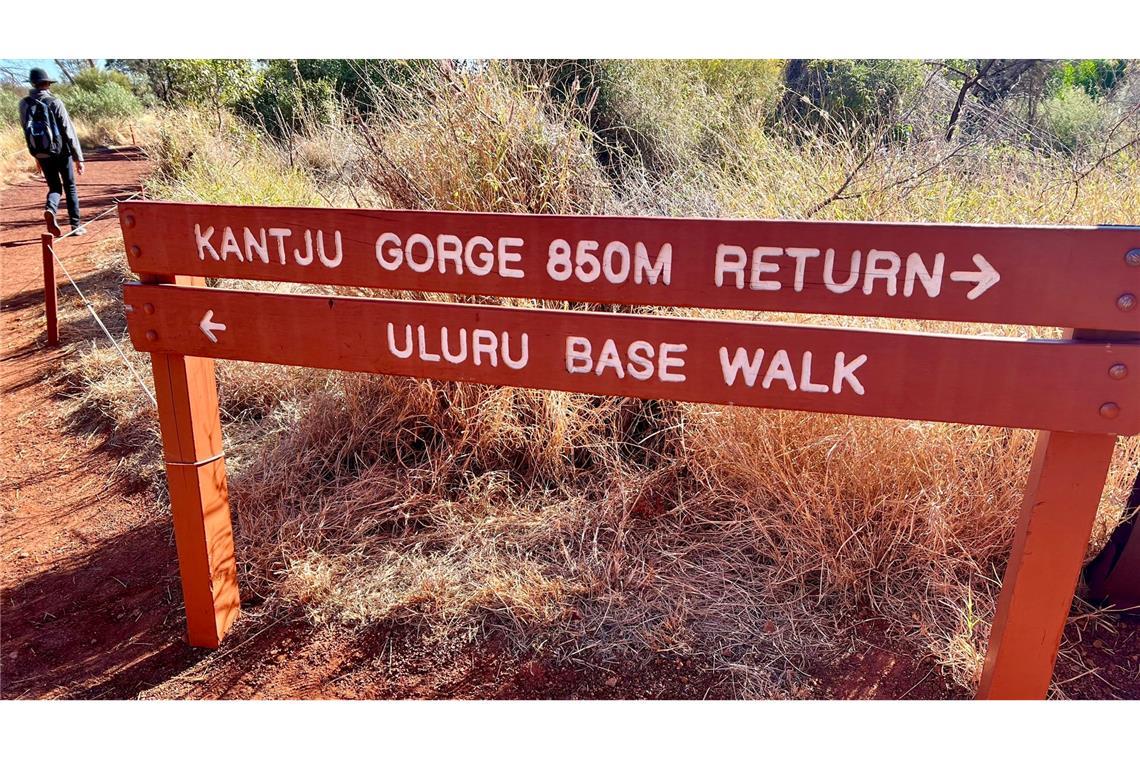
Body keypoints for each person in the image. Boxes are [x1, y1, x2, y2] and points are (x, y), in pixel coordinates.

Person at [19, 67, 86, 237]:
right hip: (61, 152)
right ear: (47, 83)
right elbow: (68, 131)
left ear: (33, 84)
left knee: (54, 186)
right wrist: (78, 158)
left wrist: (35, 155)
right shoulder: (55, 102)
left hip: (41, 152)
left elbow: (25, 131)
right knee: (69, 186)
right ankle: (75, 226)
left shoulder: (24, 104)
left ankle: (50, 209)